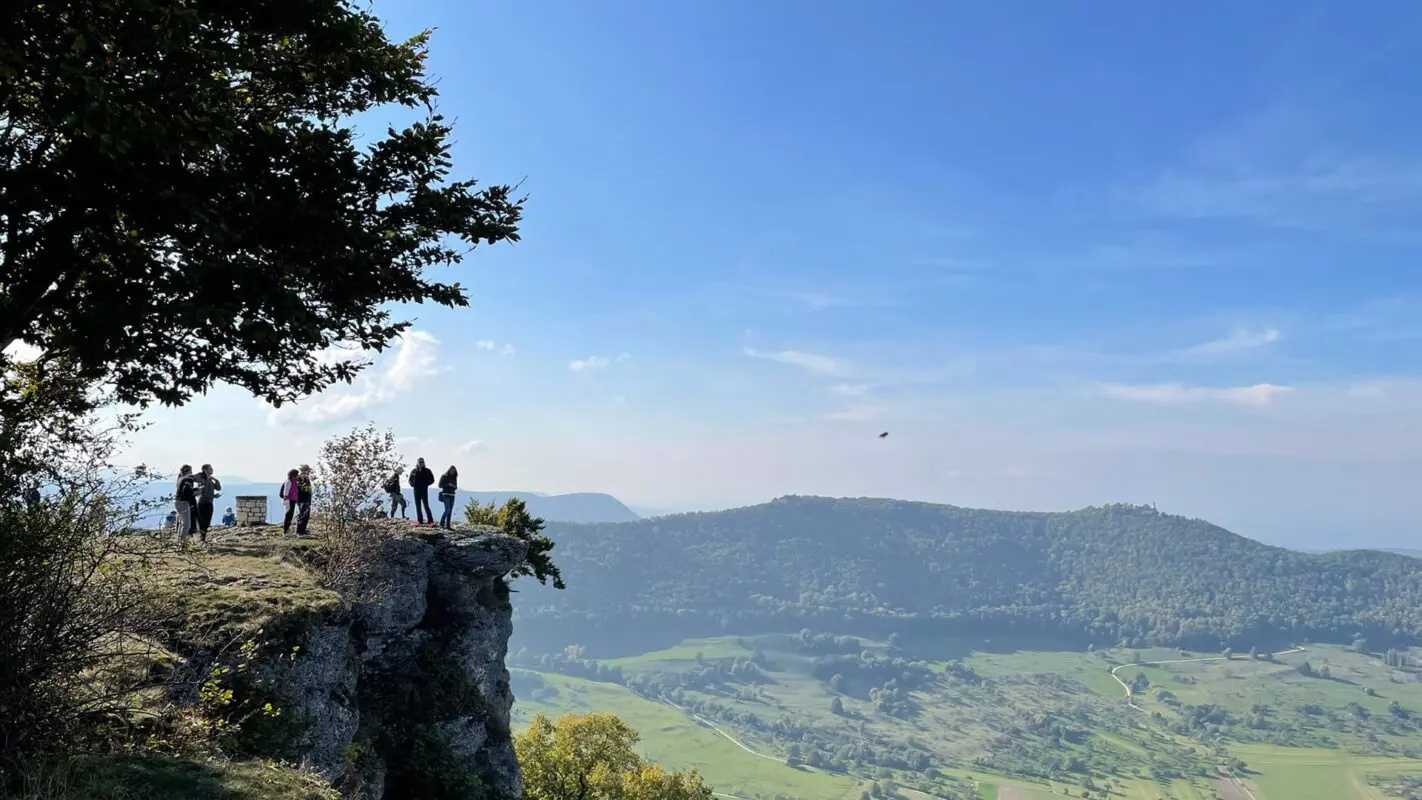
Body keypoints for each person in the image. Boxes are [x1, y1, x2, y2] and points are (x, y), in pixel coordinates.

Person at [193, 463, 222, 543]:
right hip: (202, 503)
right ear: (205, 470)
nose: (212, 470)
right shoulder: (202, 479)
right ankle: (200, 537)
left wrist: (215, 480)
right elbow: (201, 489)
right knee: (202, 521)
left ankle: (203, 537)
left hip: (210, 502)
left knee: (207, 521)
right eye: (210, 468)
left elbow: (218, 488)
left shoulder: (210, 480)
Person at [174, 465, 198, 546]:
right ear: (189, 471)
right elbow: (186, 492)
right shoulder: (188, 479)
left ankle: (179, 542)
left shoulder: (180, 478)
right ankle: (182, 544)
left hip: (178, 502)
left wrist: (193, 490)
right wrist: (196, 492)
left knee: (181, 524)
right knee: (187, 525)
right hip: (183, 503)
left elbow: (183, 490)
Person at [408, 458, 435, 527]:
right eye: (419, 462)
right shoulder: (414, 471)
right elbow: (410, 480)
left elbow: (432, 479)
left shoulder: (427, 471)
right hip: (416, 491)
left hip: (424, 490)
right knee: (418, 506)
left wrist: (427, 483)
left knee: (426, 506)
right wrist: (412, 484)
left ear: (424, 463)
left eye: (422, 462)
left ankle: (430, 521)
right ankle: (420, 520)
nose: (421, 463)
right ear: (417, 463)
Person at [279, 468, 300, 536]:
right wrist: (286, 500)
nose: (297, 476)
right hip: (289, 500)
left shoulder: (294, 482)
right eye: (296, 475)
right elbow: (286, 492)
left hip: (293, 500)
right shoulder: (288, 481)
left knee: (290, 515)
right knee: (288, 515)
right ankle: (285, 531)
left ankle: (287, 530)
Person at [436, 465, 458, 530]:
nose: (452, 472)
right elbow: (440, 485)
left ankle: (448, 525)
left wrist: (453, 486)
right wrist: (448, 485)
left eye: (454, 471)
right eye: (452, 470)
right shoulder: (444, 476)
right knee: (447, 509)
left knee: (450, 511)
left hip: (452, 495)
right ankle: (442, 523)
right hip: (445, 494)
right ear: (449, 470)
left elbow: (456, 487)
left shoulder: (454, 477)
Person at [295, 464, 314, 536]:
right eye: (308, 470)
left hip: (306, 499)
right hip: (302, 499)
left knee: (306, 515)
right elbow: (302, 488)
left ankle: (303, 530)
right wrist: (308, 489)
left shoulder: (306, 478)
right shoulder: (299, 478)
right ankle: (300, 531)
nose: (309, 472)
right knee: (303, 515)